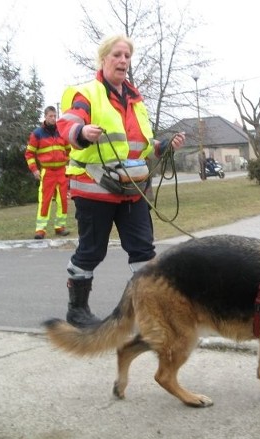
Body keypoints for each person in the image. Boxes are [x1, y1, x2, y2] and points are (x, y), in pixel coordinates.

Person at [57, 34, 185, 328]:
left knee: (143, 251)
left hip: (132, 191)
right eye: (117, 55)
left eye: (127, 56)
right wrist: (81, 131)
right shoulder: (87, 93)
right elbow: (68, 122)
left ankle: (150, 310)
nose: (123, 61)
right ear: (103, 59)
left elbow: (141, 145)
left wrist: (164, 146)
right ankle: (77, 309)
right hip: (94, 190)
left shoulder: (137, 101)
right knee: (91, 251)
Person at [25, 106, 71, 240]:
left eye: (54, 116)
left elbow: (69, 150)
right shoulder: (37, 134)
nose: (53, 118)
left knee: (63, 201)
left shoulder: (61, 132)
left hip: (62, 171)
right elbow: (29, 153)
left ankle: (60, 227)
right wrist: (34, 170)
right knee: (45, 201)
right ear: (45, 117)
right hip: (47, 172)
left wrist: (67, 161)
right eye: (50, 116)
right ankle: (40, 230)